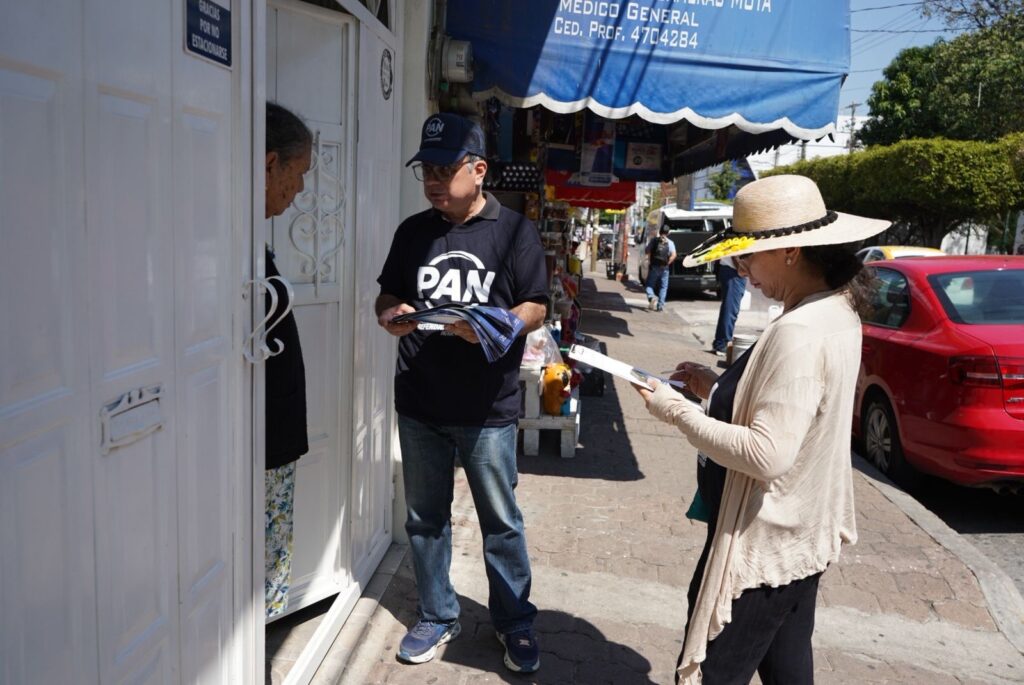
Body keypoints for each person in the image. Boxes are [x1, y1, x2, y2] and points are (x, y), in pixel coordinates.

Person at [636, 175, 890, 684]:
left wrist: (677, 411)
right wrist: (716, 389)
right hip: (801, 535)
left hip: (764, 542)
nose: (741, 269)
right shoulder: (834, 308)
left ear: (790, 251)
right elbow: (795, 408)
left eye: (749, 256)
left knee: (715, 670)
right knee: (788, 665)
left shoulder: (799, 330)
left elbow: (766, 453)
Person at [375, 112, 548, 673]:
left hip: (486, 407)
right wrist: (391, 314)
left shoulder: (514, 230)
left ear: (478, 170)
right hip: (420, 400)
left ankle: (514, 621)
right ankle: (437, 614)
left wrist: (500, 325)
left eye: (444, 169)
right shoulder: (412, 232)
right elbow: (387, 297)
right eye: (426, 169)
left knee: (501, 523)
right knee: (425, 519)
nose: (432, 181)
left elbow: (536, 305)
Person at [263, 102, 313, 619]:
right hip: (258, 439)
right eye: (297, 174)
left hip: (274, 435)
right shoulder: (226, 238)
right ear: (270, 163)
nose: (298, 189)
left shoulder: (250, 237)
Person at [710, 256, 748, 356]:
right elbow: (735, 252)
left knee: (728, 308)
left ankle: (721, 342)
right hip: (733, 270)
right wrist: (741, 268)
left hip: (731, 270)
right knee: (730, 309)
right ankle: (722, 344)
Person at [645, 225, 676, 311]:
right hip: (665, 268)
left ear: (659, 231)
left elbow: (647, 250)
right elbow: (674, 255)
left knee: (649, 285)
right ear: (668, 233)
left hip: (654, 266)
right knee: (663, 287)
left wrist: (650, 258)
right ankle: (660, 306)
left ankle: (651, 297)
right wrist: (667, 263)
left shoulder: (654, 240)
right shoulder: (670, 243)